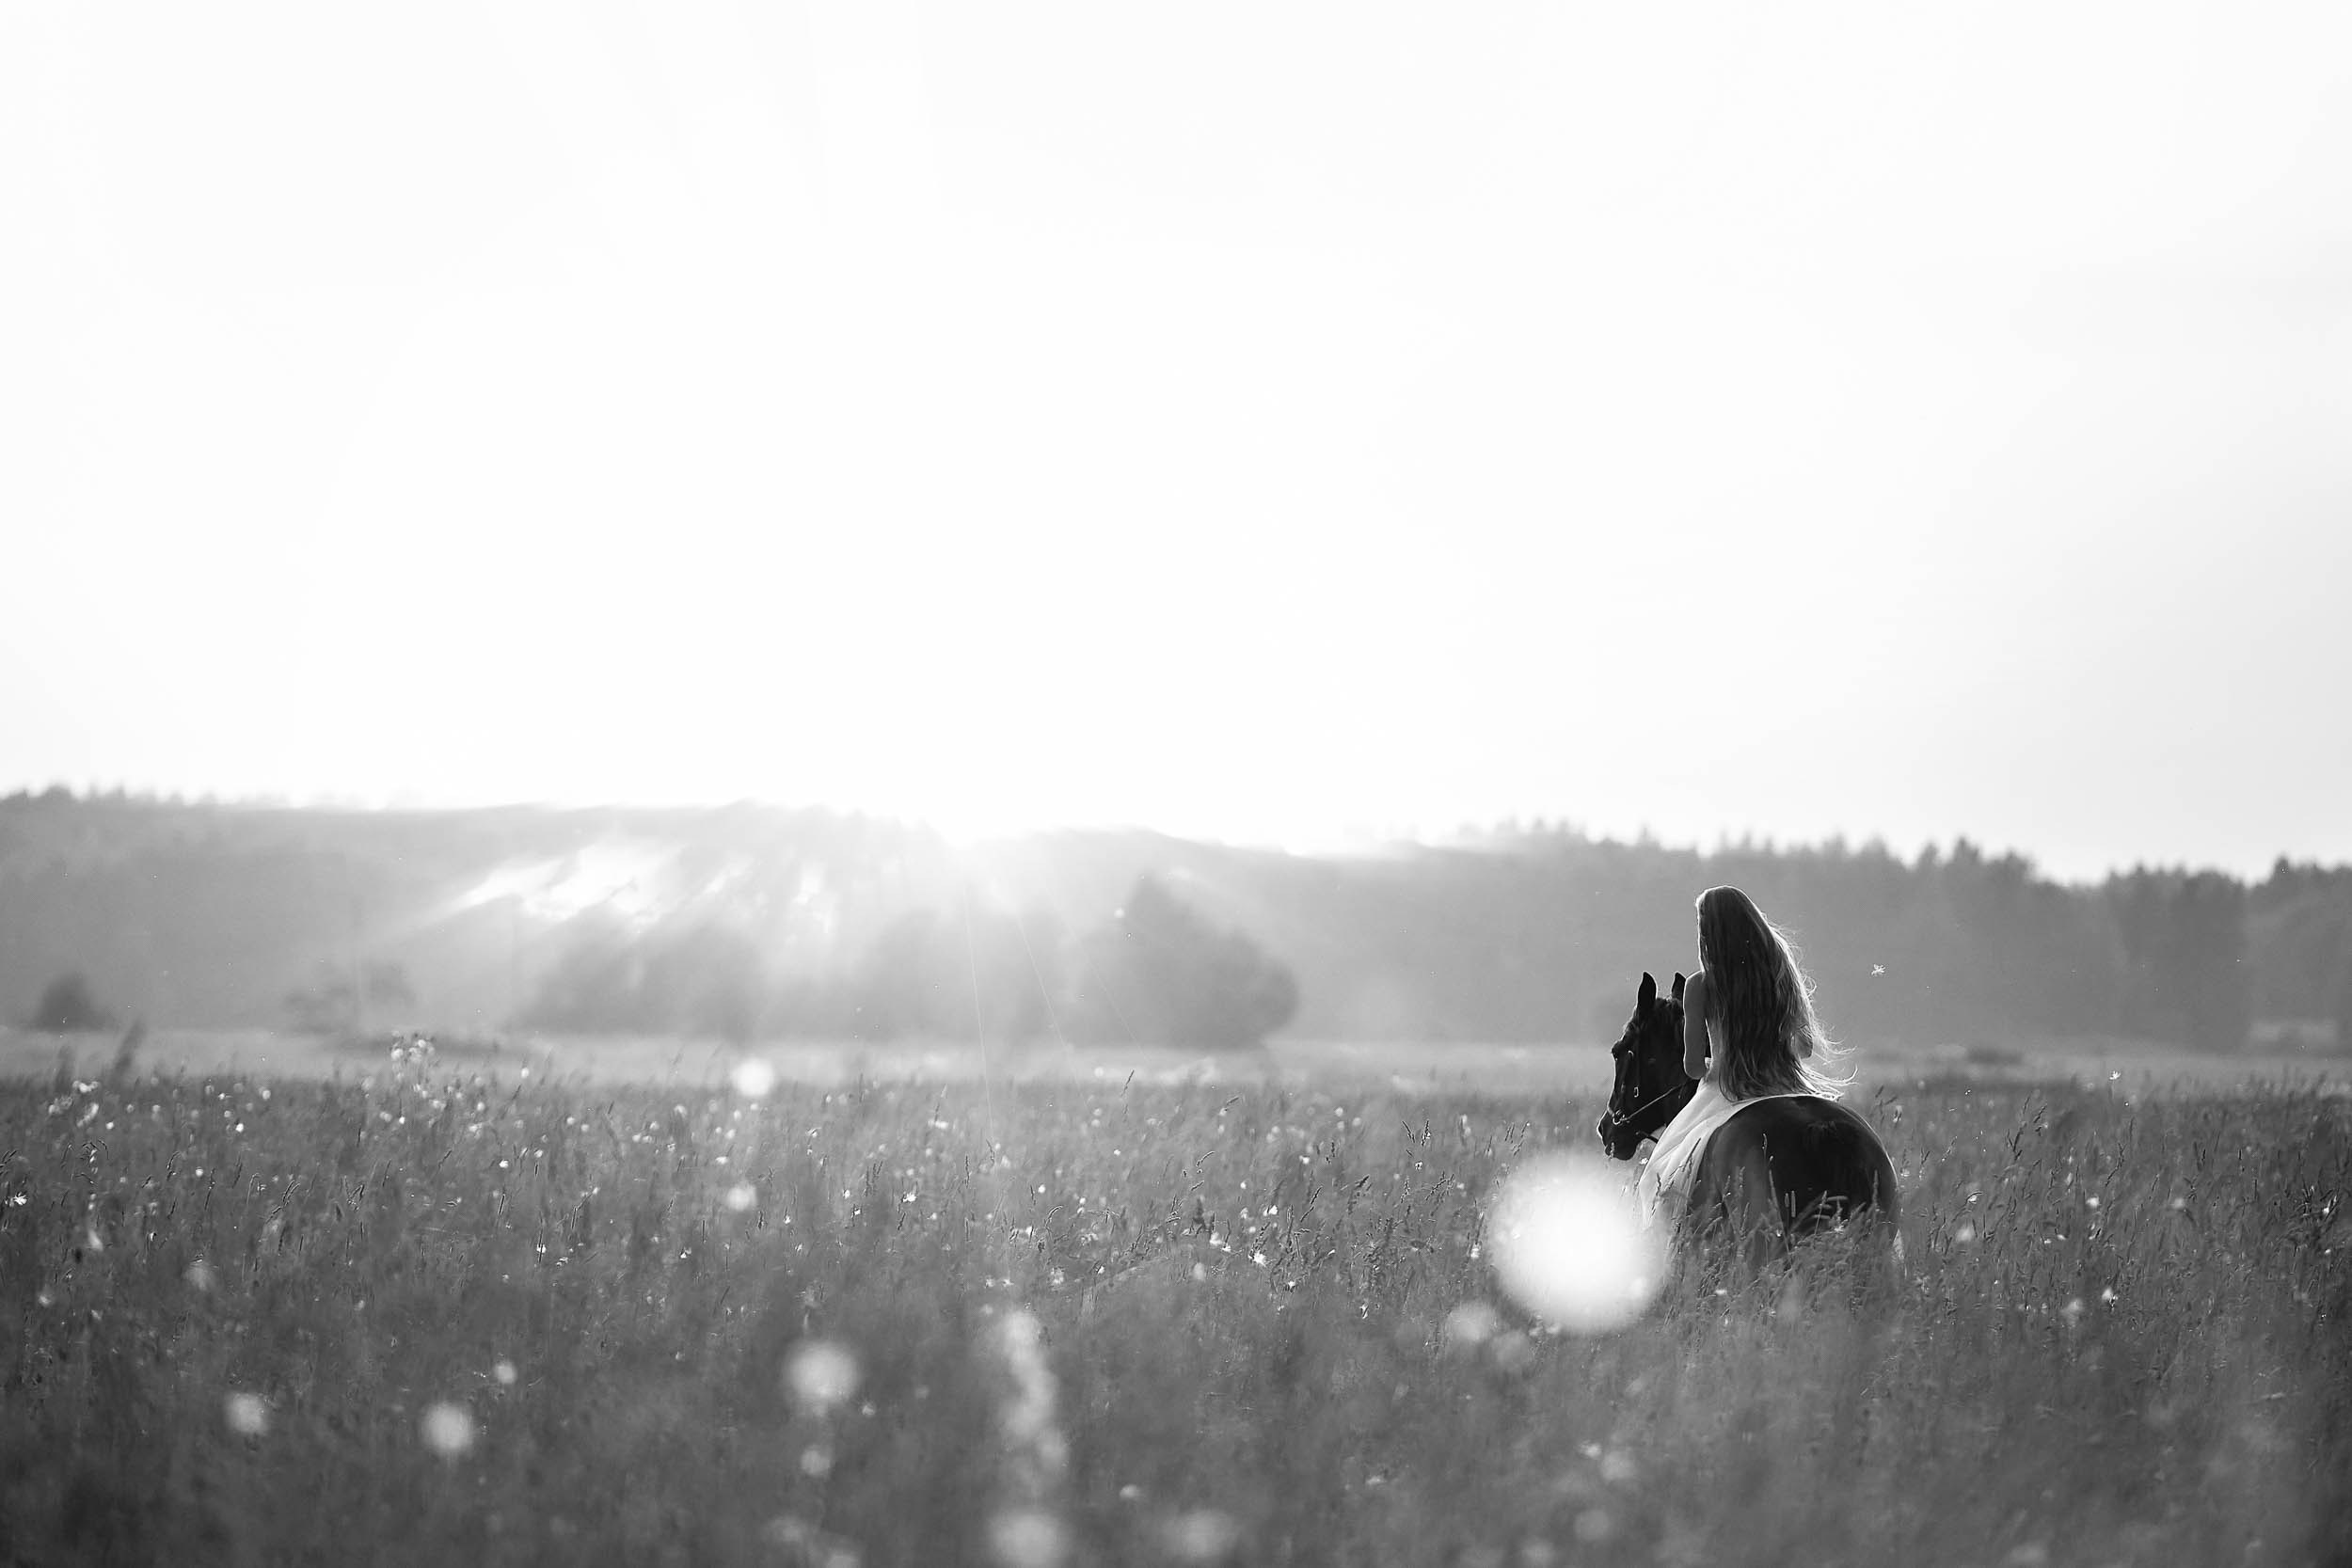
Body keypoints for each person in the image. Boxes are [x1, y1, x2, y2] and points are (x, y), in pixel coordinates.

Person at [1637, 885, 1851, 1226]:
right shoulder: (1782, 975)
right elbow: (1805, 1048)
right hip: (1788, 1087)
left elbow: (1692, 1068)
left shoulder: (1700, 987)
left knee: (1658, 1182)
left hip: (1726, 1092)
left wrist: (1716, 1059)